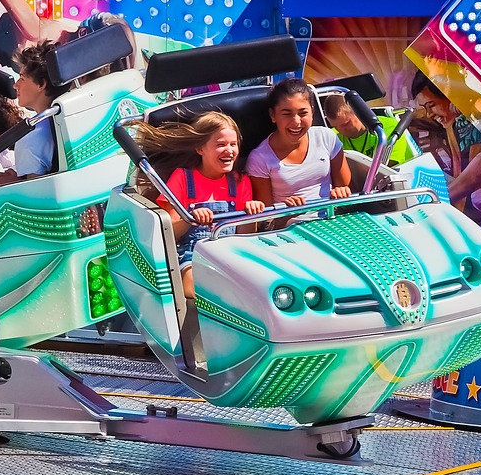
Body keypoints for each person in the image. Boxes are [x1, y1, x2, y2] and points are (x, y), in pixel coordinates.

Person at [134, 111, 265, 373]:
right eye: (221, 144)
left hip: (229, 254)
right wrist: (191, 219)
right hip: (191, 253)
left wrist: (251, 215)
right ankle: (218, 347)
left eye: (233, 144)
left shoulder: (240, 182)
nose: (229, 150)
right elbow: (170, 232)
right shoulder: (183, 179)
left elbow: (245, 236)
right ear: (200, 148)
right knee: (199, 285)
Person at [246, 78, 352, 209]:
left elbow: (346, 189)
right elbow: (267, 217)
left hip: (332, 215)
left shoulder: (327, 137)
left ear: (312, 112)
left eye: (303, 113)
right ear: (273, 115)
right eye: (287, 114)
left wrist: (341, 193)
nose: (296, 122)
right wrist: (291, 213)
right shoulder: (259, 159)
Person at [0, 39, 68, 185]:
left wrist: (12, 182)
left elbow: (34, 192)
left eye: (22, 79)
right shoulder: (71, 117)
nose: (15, 85)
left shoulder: (31, 136)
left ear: (41, 84)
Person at [321, 92, 419, 167]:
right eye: (335, 127)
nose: (341, 130)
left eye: (346, 124)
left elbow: (388, 168)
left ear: (358, 113)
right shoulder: (333, 137)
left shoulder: (389, 127)